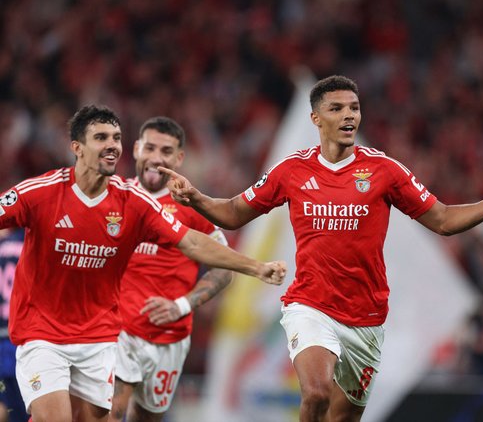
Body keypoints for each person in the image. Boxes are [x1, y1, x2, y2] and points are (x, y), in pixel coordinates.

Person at [159, 75, 483, 421]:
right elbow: (233, 213)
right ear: (316, 119)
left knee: (344, 417)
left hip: (366, 315)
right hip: (309, 305)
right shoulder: (291, 171)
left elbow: (444, 220)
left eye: (354, 107)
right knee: (315, 392)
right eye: (337, 108)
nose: (349, 115)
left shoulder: (385, 171)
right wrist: (196, 198)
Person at [0, 105, 286, 422]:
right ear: (77, 148)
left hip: (99, 339)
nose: (111, 145)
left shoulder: (134, 204)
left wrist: (254, 267)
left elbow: (192, 242)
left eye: (116, 137)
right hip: (45, 334)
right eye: (100, 138)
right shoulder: (41, 193)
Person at [108, 116, 234, 422]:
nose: (156, 157)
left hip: (170, 336)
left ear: (179, 158)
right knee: (111, 411)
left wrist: (181, 305)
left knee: (147, 418)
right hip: (116, 328)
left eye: (166, 151)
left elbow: (224, 268)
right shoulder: (112, 196)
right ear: (136, 149)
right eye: (149, 147)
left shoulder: (193, 207)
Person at [0, 228, 29, 422]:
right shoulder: (30, 243)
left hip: (2, 337)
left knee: (6, 405)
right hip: (26, 337)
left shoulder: (3, 245)